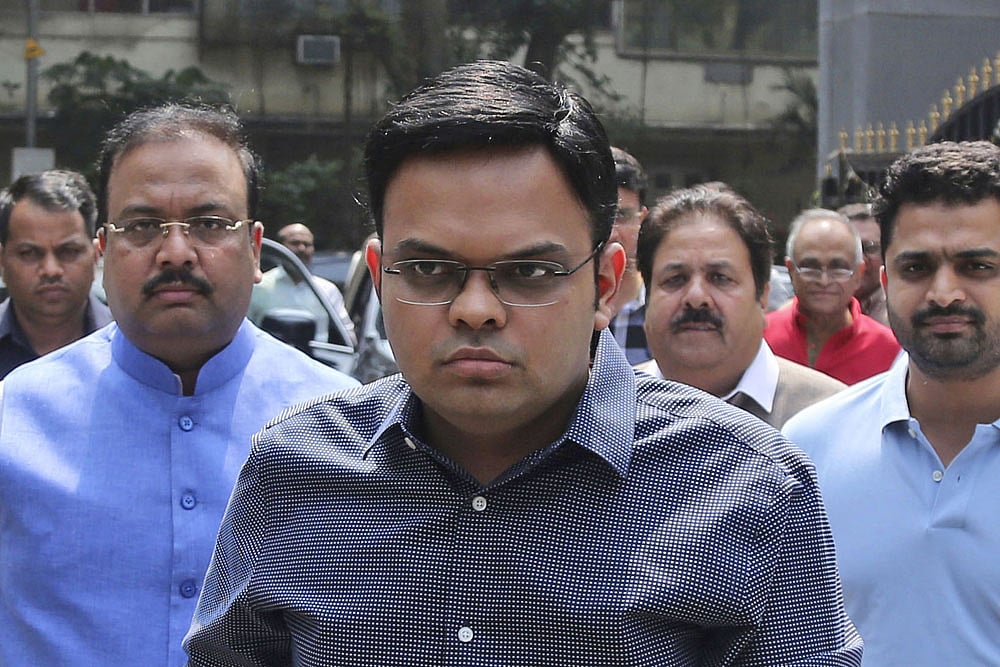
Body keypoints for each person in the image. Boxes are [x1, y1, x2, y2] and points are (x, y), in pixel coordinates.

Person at [184, 60, 861, 666]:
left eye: (529, 272)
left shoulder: (750, 488)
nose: (475, 309)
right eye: (429, 269)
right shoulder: (291, 472)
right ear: (380, 275)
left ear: (605, 284)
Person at [0, 103, 358, 666]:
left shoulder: (343, 427)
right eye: (142, 227)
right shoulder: (14, 417)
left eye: (210, 224)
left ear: (255, 248)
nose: (174, 252)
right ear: (103, 251)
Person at [783, 140, 1000, 666]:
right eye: (917, 268)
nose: (944, 293)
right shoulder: (807, 450)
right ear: (884, 281)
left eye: (976, 266)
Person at [635, 185, 845, 428]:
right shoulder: (607, 408)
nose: (696, 297)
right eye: (675, 279)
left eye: (719, 278)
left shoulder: (832, 418)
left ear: (763, 296)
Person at [765, 208, 900, 384]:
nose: (824, 280)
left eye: (838, 268)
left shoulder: (890, 351)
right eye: (810, 267)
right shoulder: (760, 339)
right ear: (791, 270)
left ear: (858, 274)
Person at [0, 170, 112, 377]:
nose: (51, 270)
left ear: (96, 255)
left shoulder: (136, 346)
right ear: (2, 261)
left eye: (69, 251)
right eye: (29, 253)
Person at [250, 222, 355, 344]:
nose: (302, 248)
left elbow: (348, 336)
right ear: (280, 247)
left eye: (307, 244)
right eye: (295, 243)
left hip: (317, 355)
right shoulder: (259, 286)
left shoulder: (327, 290)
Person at [606, 146, 652, 363]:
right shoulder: (551, 309)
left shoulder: (663, 312)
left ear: (642, 220)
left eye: (621, 216)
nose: (610, 233)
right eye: (600, 217)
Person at [838, 201, 889, 325]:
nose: (860, 259)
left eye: (869, 248)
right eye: (849, 248)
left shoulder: (899, 316)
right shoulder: (810, 312)